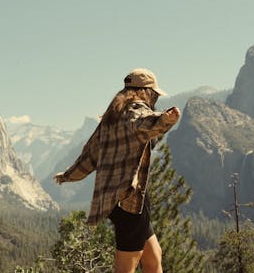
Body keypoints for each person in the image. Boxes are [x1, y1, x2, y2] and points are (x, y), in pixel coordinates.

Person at [54, 68, 181, 273]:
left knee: (154, 256)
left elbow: (90, 154)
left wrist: (68, 175)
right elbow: (145, 123)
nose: (155, 98)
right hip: (128, 200)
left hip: (115, 201)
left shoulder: (111, 118)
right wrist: (166, 119)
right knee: (126, 266)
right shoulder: (135, 110)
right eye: (154, 94)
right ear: (144, 91)